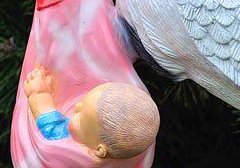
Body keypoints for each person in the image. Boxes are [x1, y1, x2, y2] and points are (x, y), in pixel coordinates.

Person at [23, 64, 159, 162]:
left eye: (80, 117)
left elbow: (46, 118)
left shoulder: (65, 142)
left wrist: (38, 91)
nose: (76, 106)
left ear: (98, 150)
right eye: (84, 102)